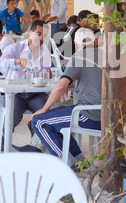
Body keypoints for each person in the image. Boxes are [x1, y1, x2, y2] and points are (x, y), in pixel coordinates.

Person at [29, 28, 102, 168]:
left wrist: (44, 108)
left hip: (90, 115)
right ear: (95, 42)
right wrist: (67, 84)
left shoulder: (80, 56)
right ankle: (80, 162)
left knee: (39, 121)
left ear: (75, 43)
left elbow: (61, 86)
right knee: (59, 120)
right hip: (110, 116)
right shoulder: (106, 55)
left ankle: (65, 162)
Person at [0, 20, 52, 130]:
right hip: (16, 93)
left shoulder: (45, 51)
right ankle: (3, 141)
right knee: (13, 114)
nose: (41, 38)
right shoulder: (16, 48)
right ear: (30, 32)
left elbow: (47, 73)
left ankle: (36, 143)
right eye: (38, 34)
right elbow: (0, 64)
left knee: (46, 115)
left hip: (36, 93)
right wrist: (16, 61)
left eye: (44, 35)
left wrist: (48, 74)